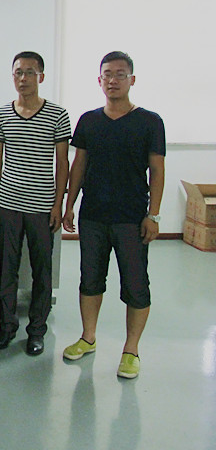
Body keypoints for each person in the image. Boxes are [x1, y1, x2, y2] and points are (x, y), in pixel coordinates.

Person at [61, 51, 165, 379]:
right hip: (93, 216)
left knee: (136, 284)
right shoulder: (89, 121)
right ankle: (88, 337)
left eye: (120, 74)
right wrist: (69, 204)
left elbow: (157, 171)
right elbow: (79, 165)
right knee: (90, 280)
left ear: (132, 79)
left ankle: (131, 349)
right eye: (107, 74)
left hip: (131, 218)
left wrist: (154, 215)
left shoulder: (149, 122)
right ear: (99, 80)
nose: (113, 80)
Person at [0, 51, 70, 356]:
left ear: (41, 77)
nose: (23, 78)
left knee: (42, 271)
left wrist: (58, 204)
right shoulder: (1, 115)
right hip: (8, 204)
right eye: (18, 72)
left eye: (30, 72)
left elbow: (62, 163)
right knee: (7, 269)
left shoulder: (57, 115)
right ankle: (7, 326)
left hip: (42, 206)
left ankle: (36, 330)